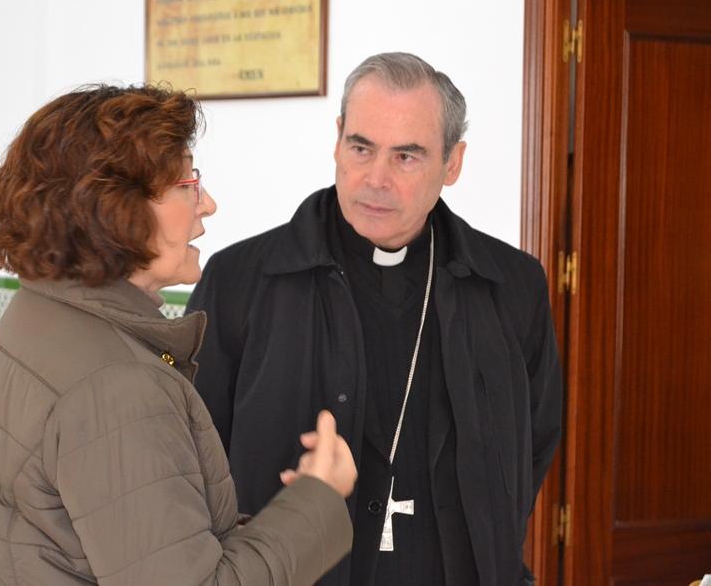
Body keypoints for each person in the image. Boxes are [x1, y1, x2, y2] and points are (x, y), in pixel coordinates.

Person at [0, 83, 358, 585]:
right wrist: (317, 497)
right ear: (116, 210)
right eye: (188, 182)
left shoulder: (37, 315)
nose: (207, 203)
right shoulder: (118, 388)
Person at [187, 53, 562, 586]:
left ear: (452, 164)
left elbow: (536, 440)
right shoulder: (243, 281)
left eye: (407, 156)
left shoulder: (511, 285)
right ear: (338, 140)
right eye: (361, 148)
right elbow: (194, 458)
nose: (376, 179)